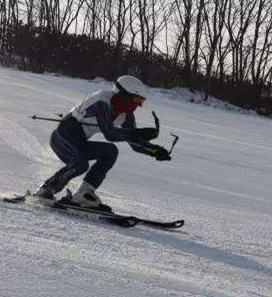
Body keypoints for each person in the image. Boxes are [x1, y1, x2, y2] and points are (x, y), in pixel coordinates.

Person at [34, 75, 171, 209]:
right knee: (81, 164)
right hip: (62, 137)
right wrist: (138, 133)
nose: (137, 105)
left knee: (110, 152)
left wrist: (155, 150)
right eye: (136, 99)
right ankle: (45, 190)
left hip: (79, 142)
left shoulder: (126, 115)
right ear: (123, 95)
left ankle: (84, 193)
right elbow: (110, 134)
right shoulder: (102, 100)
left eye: (140, 101)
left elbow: (133, 142)